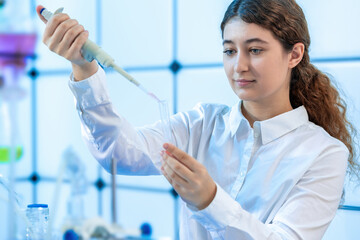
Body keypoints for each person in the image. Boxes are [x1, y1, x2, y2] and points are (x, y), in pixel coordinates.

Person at [36, 0, 359, 239]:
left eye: (255, 50)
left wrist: (209, 199)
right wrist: (83, 67)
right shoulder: (202, 124)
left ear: (295, 54)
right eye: (230, 51)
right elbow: (119, 153)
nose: (239, 67)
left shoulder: (324, 154)